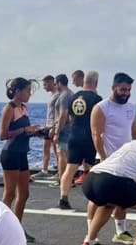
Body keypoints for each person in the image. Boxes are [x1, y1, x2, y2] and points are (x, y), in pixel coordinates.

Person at [89, 72, 136, 245]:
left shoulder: (131, 107)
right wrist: (104, 158)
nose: (126, 93)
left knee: (122, 197)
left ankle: (120, 231)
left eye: (128, 90)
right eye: (123, 89)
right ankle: (91, 234)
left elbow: (135, 132)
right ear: (113, 87)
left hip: (125, 160)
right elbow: (96, 135)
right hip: (106, 160)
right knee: (98, 198)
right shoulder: (102, 107)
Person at [0, 77, 42, 243]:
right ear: (17, 91)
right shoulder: (9, 108)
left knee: (24, 193)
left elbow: (24, 132)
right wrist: (25, 129)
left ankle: (16, 228)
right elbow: (3, 135)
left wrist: (38, 132)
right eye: (27, 91)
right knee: (9, 194)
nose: (29, 94)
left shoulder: (23, 108)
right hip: (10, 154)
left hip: (22, 153)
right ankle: (0, 229)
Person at [58, 71, 102, 211]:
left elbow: (70, 119)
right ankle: (95, 198)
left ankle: (63, 197)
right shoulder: (97, 99)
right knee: (92, 168)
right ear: (96, 83)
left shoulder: (74, 97)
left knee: (70, 168)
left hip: (74, 135)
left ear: (84, 82)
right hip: (89, 137)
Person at [51, 74, 75, 184]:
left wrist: (57, 132)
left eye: (56, 84)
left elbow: (63, 115)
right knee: (68, 156)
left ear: (60, 83)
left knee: (62, 156)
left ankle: (62, 180)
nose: (55, 86)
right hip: (71, 130)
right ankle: (69, 179)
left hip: (64, 131)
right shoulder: (72, 94)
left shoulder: (64, 96)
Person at [41, 75, 58, 175]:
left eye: (45, 84)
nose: (44, 87)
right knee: (46, 148)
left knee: (56, 150)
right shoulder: (52, 95)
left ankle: (60, 171)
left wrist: (54, 126)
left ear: (52, 82)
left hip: (53, 127)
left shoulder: (57, 95)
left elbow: (58, 113)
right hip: (48, 125)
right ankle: (44, 170)